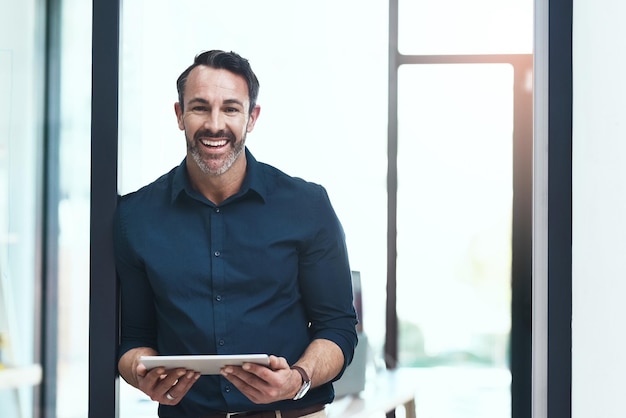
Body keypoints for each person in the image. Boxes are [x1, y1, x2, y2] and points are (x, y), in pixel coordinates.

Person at [113, 49, 358, 418]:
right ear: (179, 115)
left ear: (251, 117)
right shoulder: (135, 216)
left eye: (230, 108)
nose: (215, 124)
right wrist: (140, 371)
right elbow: (133, 339)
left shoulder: (307, 206)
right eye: (199, 107)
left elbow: (338, 328)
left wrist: (298, 378)